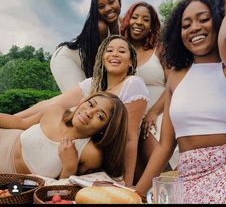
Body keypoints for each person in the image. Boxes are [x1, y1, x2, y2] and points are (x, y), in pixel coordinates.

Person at [135, 0, 226, 204]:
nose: (194, 28)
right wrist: (136, 194)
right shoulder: (176, 76)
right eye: (186, 25)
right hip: (188, 175)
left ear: (219, 21)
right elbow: (165, 146)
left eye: (204, 19)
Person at [15, 34, 149, 187]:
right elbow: (49, 103)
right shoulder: (92, 84)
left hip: (98, 159)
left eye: (122, 51)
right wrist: (14, 119)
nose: (114, 54)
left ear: (131, 61)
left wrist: (127, 183)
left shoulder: (132, 84)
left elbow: (130, 138)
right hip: (78, 154)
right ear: (102, 57)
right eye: (109, 50)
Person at [0, 92, 128, 179]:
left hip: (13, 182)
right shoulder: (55, 112)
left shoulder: (90, 153)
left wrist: (69, 167)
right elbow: (19, 123)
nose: (89, 112)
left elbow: (62, 191)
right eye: (90, 104)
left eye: (100, 116)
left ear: (105, 129)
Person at [121, 1, 177, 181]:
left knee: (154, 147)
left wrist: (153, 112)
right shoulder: (119, 50)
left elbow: (172, 83)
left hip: (159, 111)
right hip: (129, 117)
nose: (139, 22)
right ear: (128, 20)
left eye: (146, 19)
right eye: (135, 17)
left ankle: (172, 189)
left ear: (152, 26)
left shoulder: (159, 49)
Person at [50, 0, 122, 92]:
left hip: (88, 63)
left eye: (111, 2)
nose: (108, 8)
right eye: (101, 6)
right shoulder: (101, 27)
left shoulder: (122, 22)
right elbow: (99, 64)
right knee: (79, 103)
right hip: (68, 58)